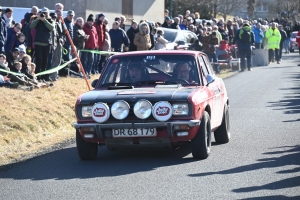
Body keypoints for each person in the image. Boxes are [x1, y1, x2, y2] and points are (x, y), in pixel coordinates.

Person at [30, 7, 55, 81]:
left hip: (47, 44)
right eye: (43, 13)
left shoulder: (51, 20)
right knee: (38, 60)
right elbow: (31, 26)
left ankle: (44, 77)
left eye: (46, 13)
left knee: (45, 61)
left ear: (48, 13)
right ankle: (38, 76)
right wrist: (38, 18)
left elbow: (52, 28)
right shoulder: (37, 20)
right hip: (38, 43)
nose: (44, 14)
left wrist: (44, 20)